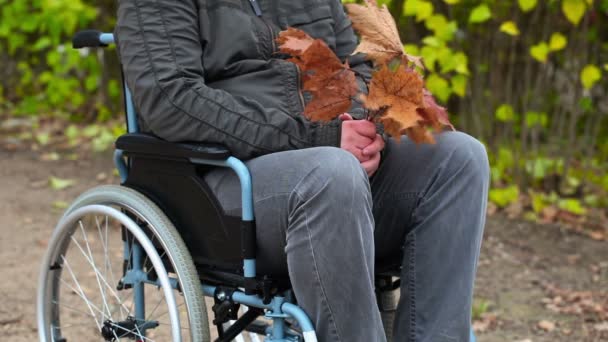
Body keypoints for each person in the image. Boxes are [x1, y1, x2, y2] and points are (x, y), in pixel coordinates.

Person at [115, 0, 489, 341]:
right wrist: (320, 138)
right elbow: (171, 99)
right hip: (220, 181)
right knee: (332, 171)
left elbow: (356, 69)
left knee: (460, 157)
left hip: (333, 163)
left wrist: (359, 129)